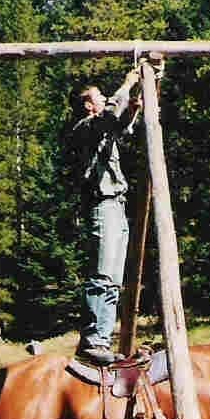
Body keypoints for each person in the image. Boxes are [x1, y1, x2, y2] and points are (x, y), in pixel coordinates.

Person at [71, 67, 142, 365]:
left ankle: (101, 338)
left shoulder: (101, 130)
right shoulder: (84, 128)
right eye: (99, 96)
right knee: (102, 275)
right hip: (102, 206)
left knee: (113, 279)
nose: (103, 99)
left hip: (116, 205)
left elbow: (121, 126)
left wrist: (133, 110)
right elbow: (112, 116)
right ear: (89, 105)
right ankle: (92, 339)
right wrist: (127, 83)